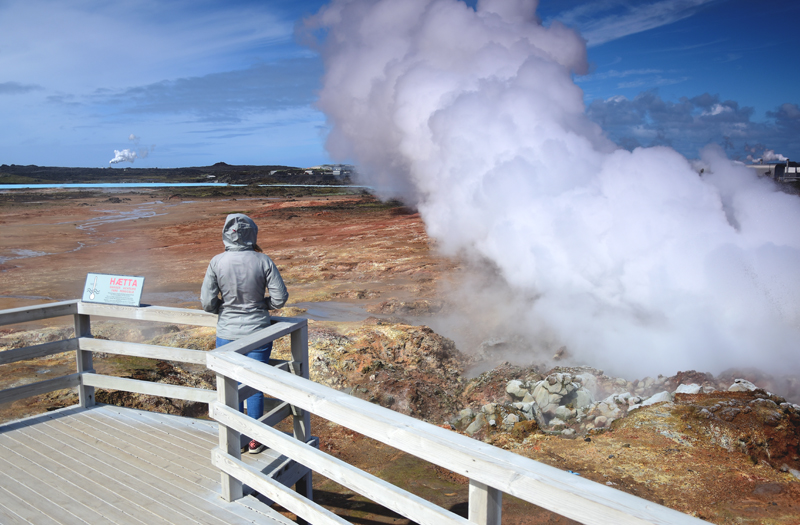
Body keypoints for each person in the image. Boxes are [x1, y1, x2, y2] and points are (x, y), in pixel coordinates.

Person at [201, 213, 288, 454]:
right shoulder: (263, 261)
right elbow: (280, 298)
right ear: (252, 233)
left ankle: (235, 435)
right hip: (257, 331)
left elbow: (207, 303)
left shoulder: (216, 262)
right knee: (254, 384)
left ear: (226, 234)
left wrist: (225, 308)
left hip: (227, 332)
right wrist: (263, 306)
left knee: (230, 384)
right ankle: (255, 439)